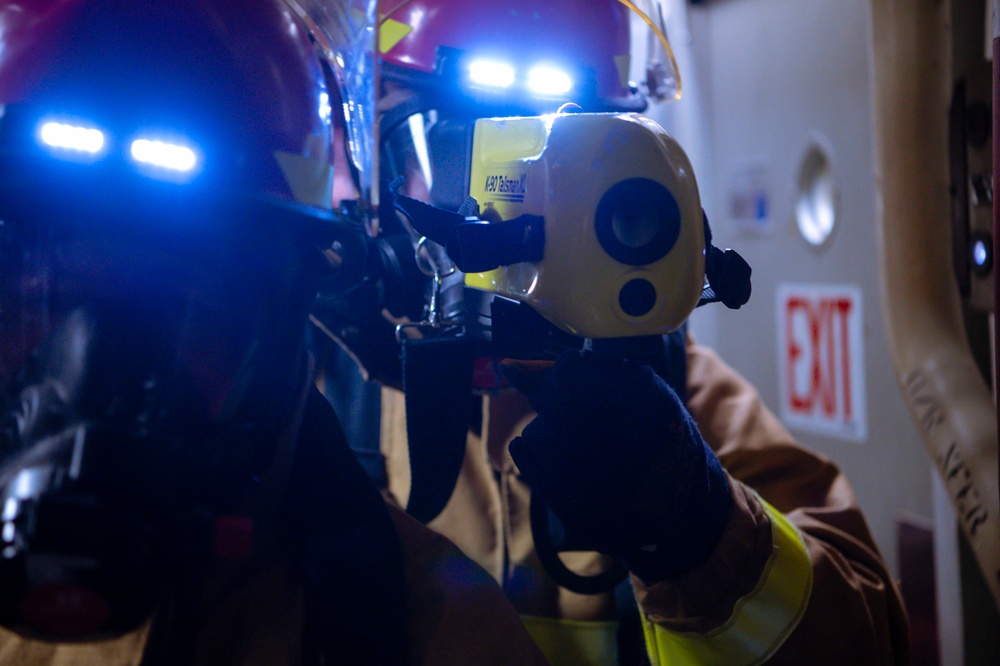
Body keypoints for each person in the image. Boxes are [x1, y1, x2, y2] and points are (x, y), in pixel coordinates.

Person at [315, 1, 912, 664]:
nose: (510, 211)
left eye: (564, 169)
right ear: (372, 166)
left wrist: (706, 536)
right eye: (460, 150)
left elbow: (866, 641)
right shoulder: (310, 392)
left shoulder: (678, 393)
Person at [0, 1, 550, 664]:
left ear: (293, 315)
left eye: (180, 307)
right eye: (38, 302)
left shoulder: (431, 630)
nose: (94, 375)